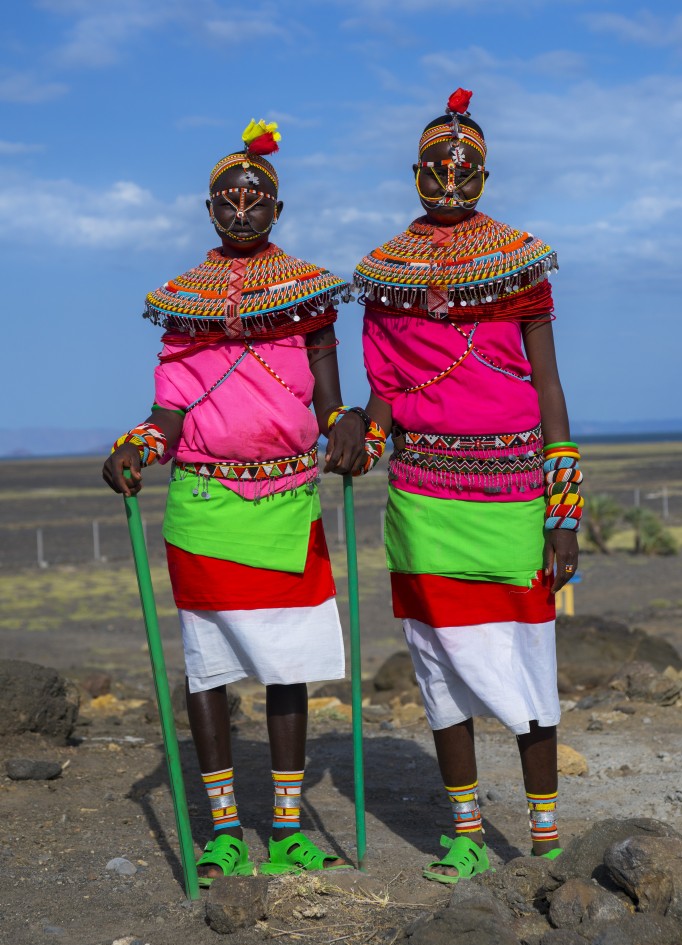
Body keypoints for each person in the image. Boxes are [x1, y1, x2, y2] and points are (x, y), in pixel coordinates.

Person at [103, 118, 369, 884]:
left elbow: (327, 399)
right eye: (228, 199)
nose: (242, 209)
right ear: (209, 209)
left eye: (256, 198)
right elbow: (167, 416)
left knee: (287, 669)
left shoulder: (309, 295)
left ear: (277, 210)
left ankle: (285, 828)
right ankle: (222, 829)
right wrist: (137, 450)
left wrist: (344, 424)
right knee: (208, 669)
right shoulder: (184, 304)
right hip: (204, 511)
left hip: (289, 507)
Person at [354, 88, 582, 881]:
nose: (450, 181)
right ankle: (467, 836)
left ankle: (547, 844)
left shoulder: (519, 261)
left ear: (484, 175)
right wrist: (366, 436)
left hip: (515, 496)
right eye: (436, 167)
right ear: (413, 171)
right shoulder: (382, 274)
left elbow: (548, 388)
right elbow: (384, 384)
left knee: (527, 657)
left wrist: (564, 511)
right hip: (422, 497)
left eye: (466, 169)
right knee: (438, 665)